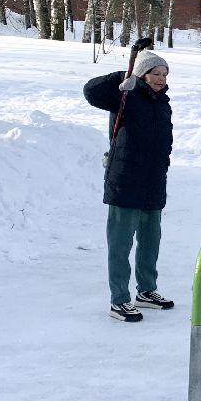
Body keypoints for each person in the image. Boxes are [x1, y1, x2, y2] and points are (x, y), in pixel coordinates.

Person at [84, 48, 174, 322]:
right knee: (121, 244)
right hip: (125, 180)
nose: (160, 78)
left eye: (164, 74)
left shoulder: (162, 103)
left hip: (153, 181)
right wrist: (121, 78)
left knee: (150, 240)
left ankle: (146, 290)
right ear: (142, 74)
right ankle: (119, 300)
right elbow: (91, 92)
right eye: (155, 73)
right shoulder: (125, 96)